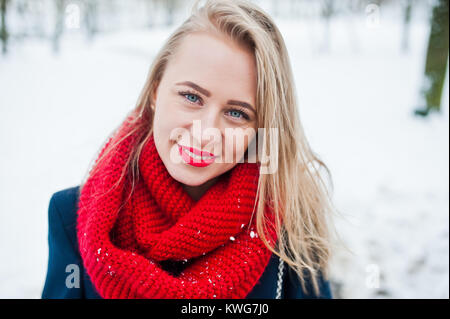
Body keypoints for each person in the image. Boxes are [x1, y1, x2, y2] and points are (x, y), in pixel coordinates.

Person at [42, 0, 338, 299]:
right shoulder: (70, 216)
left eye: (237, 113)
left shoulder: (289, 220)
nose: (205, 133)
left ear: (260, 129)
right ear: (156, 90)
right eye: (191, 97)